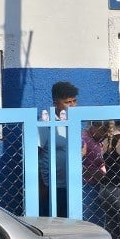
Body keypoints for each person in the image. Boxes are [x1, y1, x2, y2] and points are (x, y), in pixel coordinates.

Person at [38, 80, 78, 217]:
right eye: (68, 102)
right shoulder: (46, 123)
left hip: (71, 185)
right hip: (51, 187)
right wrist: (41, 186)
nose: (72, 106)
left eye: (74, 101)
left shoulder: (74, 123)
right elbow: (35, 154)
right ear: (55, 103)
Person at [80, 120, 111, 225]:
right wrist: (96, 174)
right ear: (95, 126)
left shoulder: (96, 140)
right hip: (87, 185)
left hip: (96, 185)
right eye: (104, 130)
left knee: (98, 219)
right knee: (91, 221)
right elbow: (79, 164)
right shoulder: (84, 139)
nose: (106, 134)